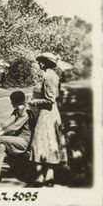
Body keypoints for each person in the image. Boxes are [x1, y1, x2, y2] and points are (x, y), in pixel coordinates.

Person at [28, 52, 67, 187]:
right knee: (49, 143)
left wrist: (34, 102)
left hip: (47, 114)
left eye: (42, 61)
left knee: (39, 142)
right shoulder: (52, 76)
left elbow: (50, 100)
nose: (40, 63)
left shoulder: (49, 77)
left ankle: (42, 177)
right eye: (40, 61)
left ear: (47, 63)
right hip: (51, 114)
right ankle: (48, 177)